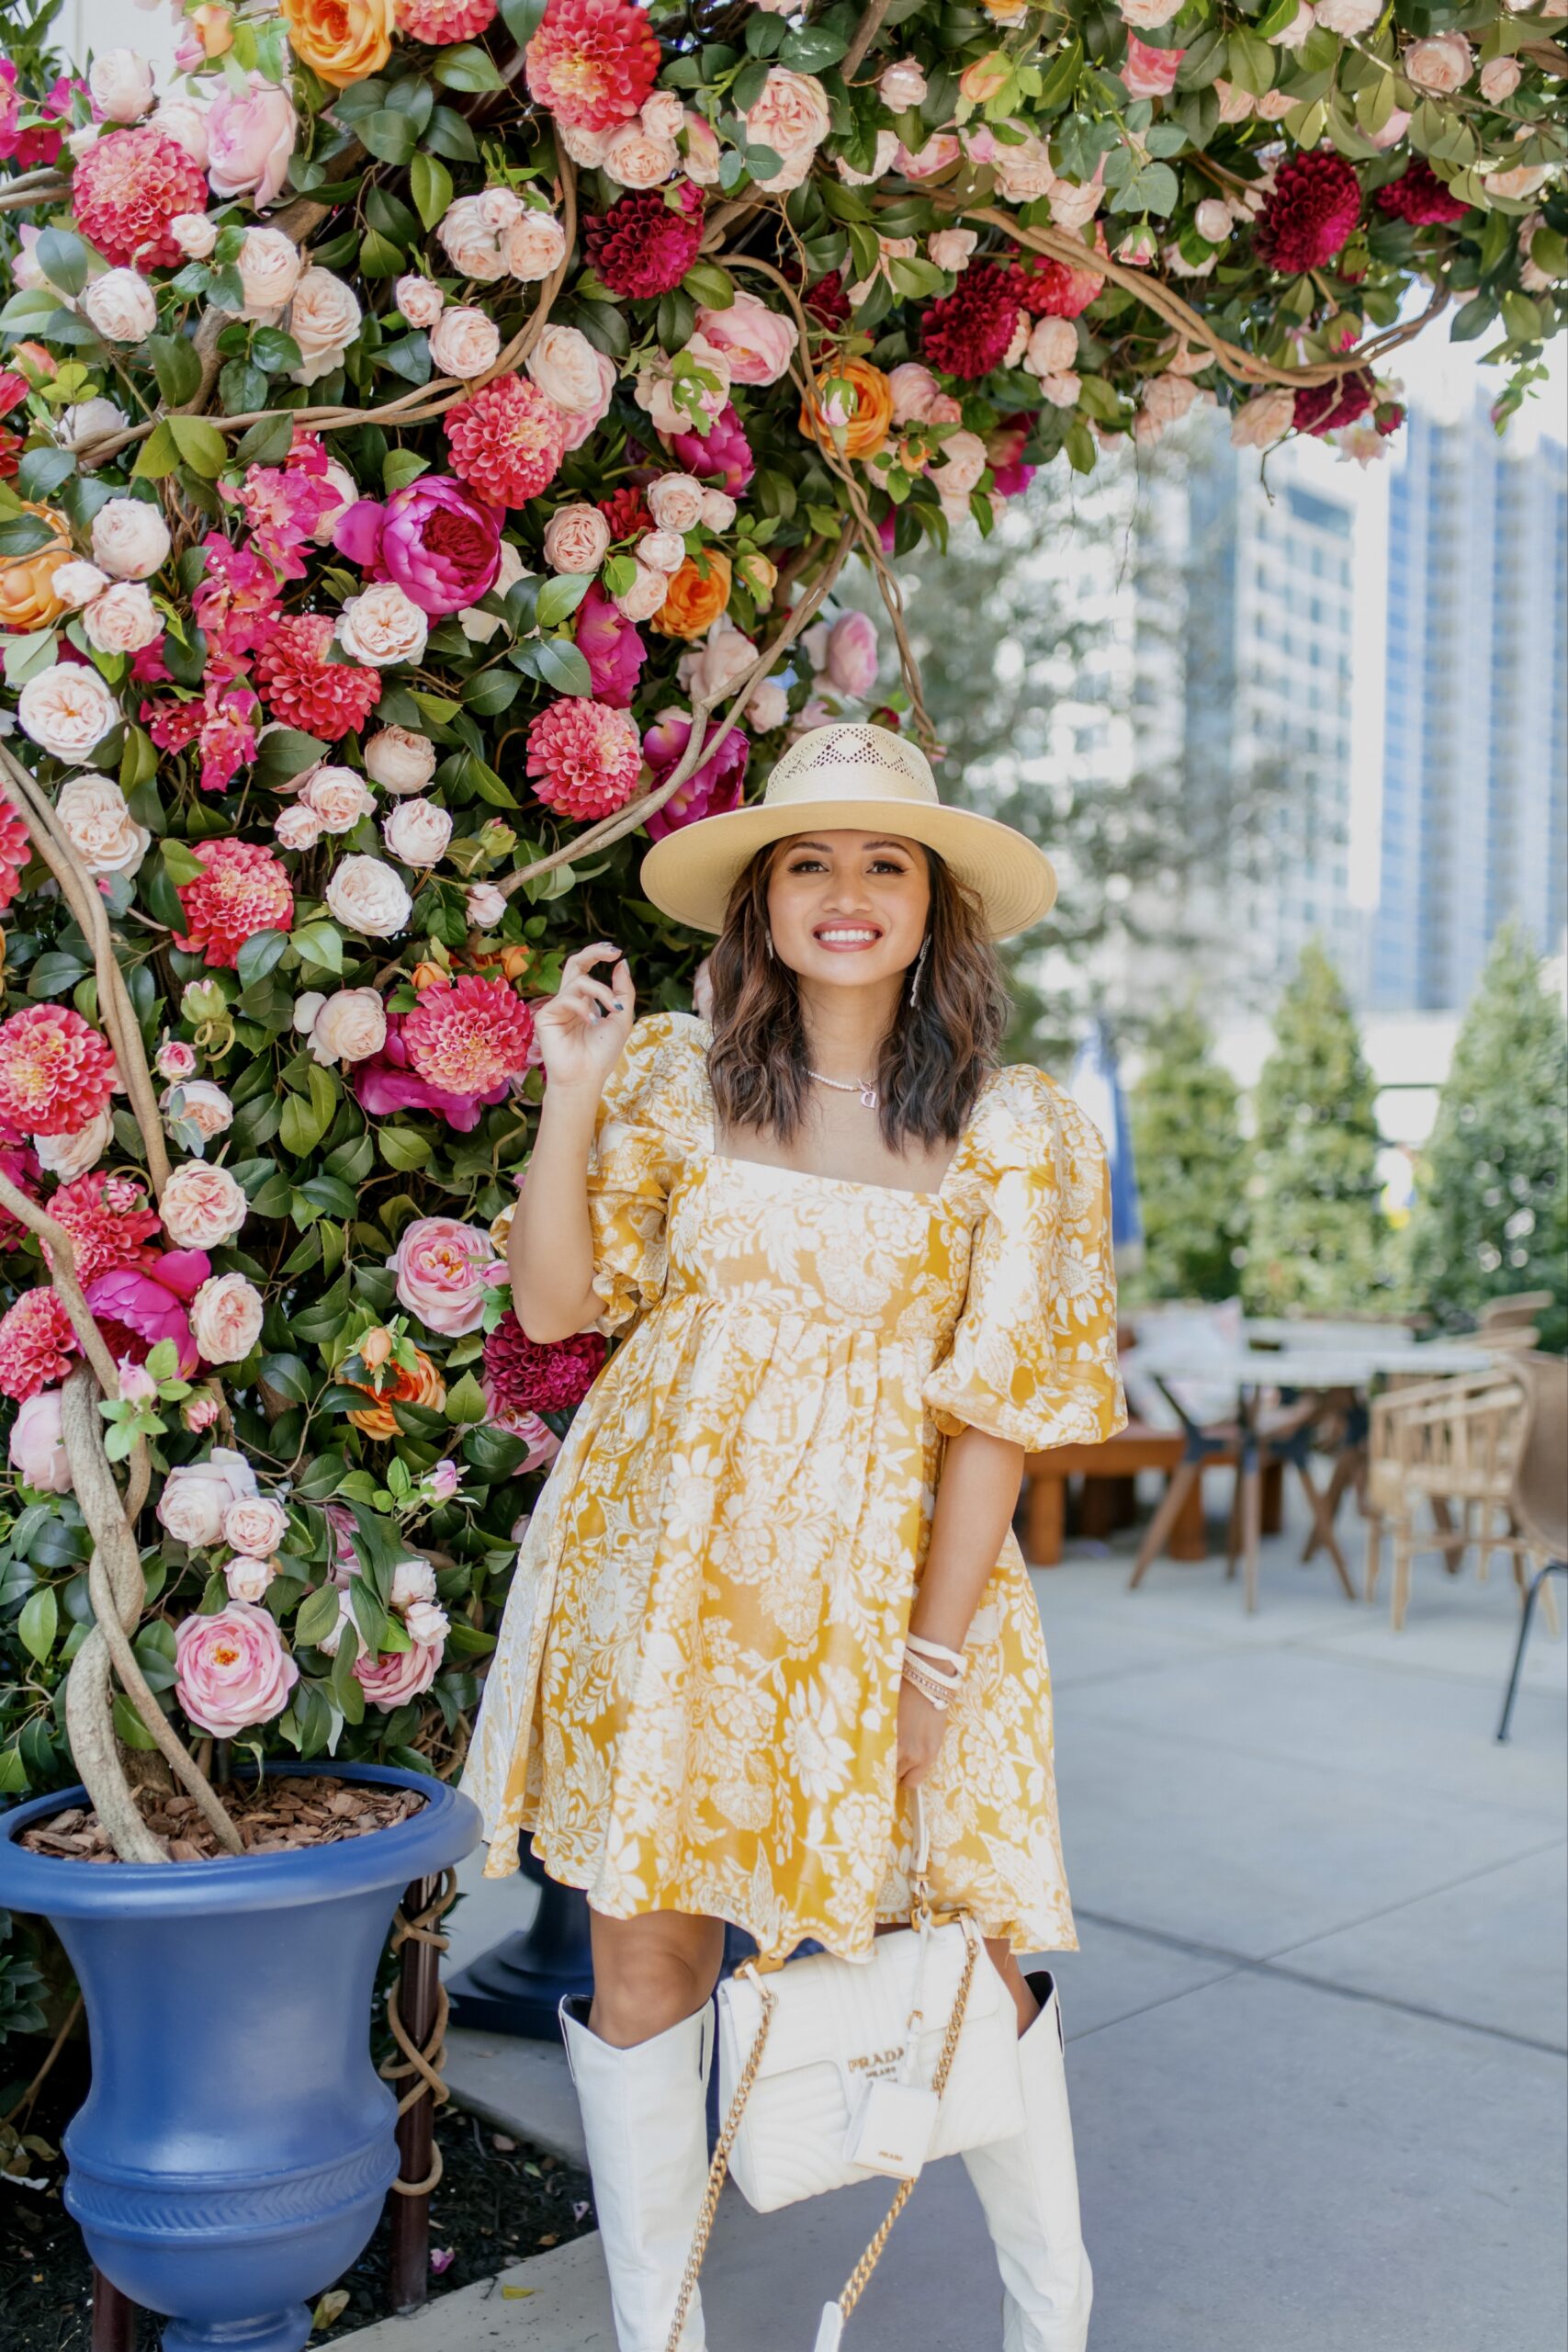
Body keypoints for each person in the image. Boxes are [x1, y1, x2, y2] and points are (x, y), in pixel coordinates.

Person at [460, 721, 1125, 2351]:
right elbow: (557, 1302)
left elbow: (998, 1414)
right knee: (644, 1969)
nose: (845, 893)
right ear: (760, 903)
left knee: (966, 1956)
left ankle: (1054, 2321)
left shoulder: (1014, 1126)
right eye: (807, 862)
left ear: (932, 905)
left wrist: (931, 1658)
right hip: (660, 1582)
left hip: (895, 1595)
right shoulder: (679, 1087)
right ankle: (660, 2336)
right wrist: (571, 1092)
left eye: (883, 862)